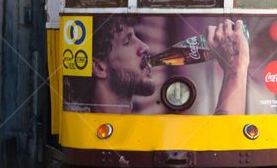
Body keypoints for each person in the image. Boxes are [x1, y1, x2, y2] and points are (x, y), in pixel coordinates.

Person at [77, 17, 250, 115]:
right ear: (99, 68)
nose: (144, 47)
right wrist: (236, 70)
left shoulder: (138, 126)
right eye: (128, 41)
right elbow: (219, 150)